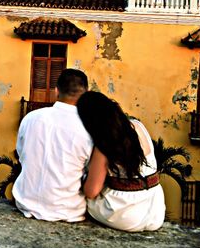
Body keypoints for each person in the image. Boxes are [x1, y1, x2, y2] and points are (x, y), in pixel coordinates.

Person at [77, 91, 165, 232]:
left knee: (81, 200)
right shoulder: (138, 126)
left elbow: (91, 192)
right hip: (155, 212)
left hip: (125, 217)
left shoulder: (104, 145)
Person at [13, 69, 93, 222]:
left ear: (56, 91)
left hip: (25, 203)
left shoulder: (31, 118)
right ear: (86, 93)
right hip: (68, 210)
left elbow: (21, 155)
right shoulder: (88, 129)